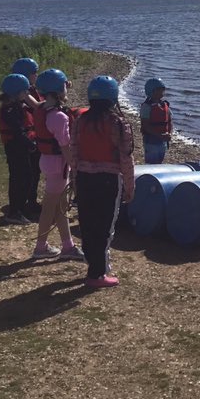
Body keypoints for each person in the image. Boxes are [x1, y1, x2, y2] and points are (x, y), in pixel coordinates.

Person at [71, 75, 135, 288]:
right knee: (105, 227)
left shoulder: (80, 121)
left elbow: (74, 153)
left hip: (84, 179)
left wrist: (74, 180)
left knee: (88, 225)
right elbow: (126, 158)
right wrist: (130, 185)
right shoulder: (119, 124)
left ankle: (95, 266)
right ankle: (97, 274)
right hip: (108, 181)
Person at [31, 69, 84, 261]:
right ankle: (40, 247)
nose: (67, 88)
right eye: (64, 86)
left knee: (61, 207)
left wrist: (62, 85)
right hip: (58, 165)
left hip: (49, 162)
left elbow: (37, 99)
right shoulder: (59, 117)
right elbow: (65, 147)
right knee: (50, 208)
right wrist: (75, 169)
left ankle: (68, 246)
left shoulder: (43, 107)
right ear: (56, 90)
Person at [0, 73, 37, 225]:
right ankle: (14, 211)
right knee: (19, 178)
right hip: (15, 148)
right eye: (25, 91)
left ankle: (20, 208)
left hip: (21, 147)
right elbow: (18, 131)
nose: (27, 94)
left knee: (26, 177)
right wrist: (31, 144)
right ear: (16, 93)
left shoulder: (18, 107)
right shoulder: (10, 110)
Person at [12, 57, 43, 219]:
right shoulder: (23, 93)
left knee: (34, 172)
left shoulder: (29, 89)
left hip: (32, 137)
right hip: (25, 140)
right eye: (34, 73)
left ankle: (31, 201)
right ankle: (23, 204)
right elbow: (38, 106)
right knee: (27, 174)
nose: (36, 76)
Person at [140, 77, 172, 164]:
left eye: (162, 90)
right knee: (151, 164)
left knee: (159, 163)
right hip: (151, 141)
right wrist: (159, 135)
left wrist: (169, 134)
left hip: (163, 141)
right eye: (159, 90)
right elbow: (145, 125)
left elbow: (169, 120)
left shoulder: (164, 105)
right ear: (152, 91)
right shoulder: (146, 107)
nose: (162, 92)